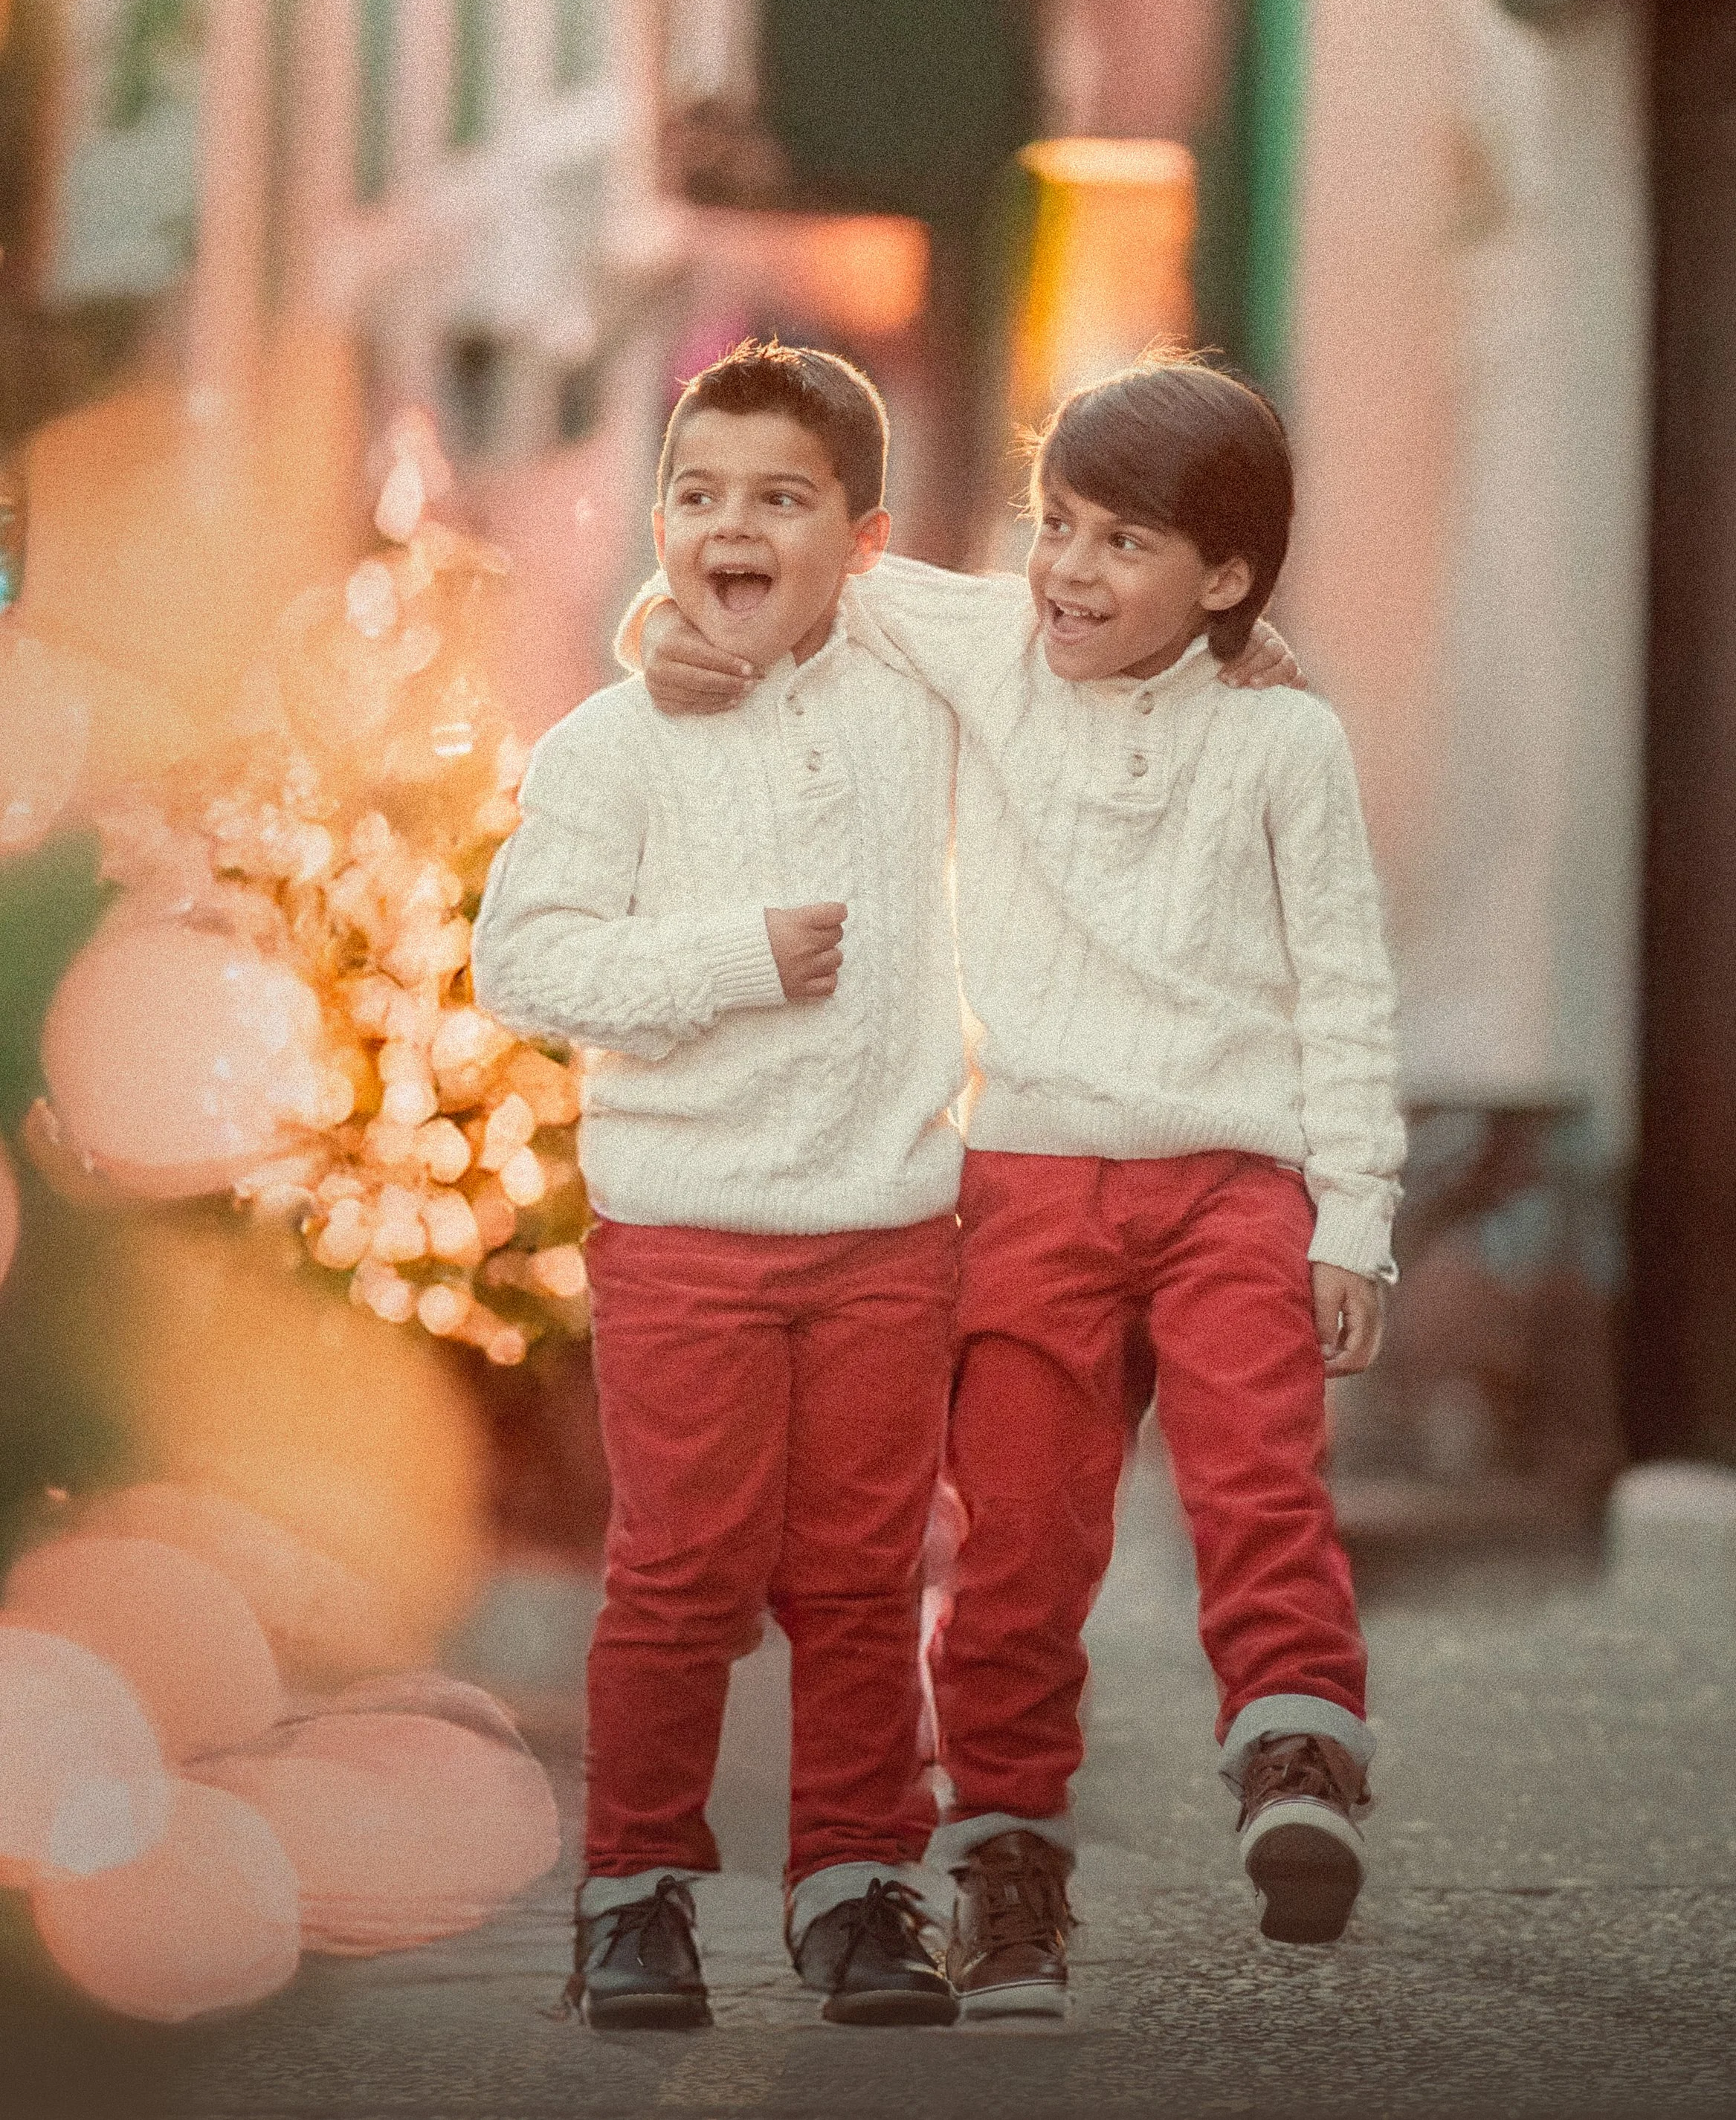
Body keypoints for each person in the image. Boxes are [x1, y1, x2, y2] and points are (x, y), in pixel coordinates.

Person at [632, 352, 1404, 2018]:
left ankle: (1293, 1753)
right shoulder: (989, 640)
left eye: (1123, 544)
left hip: (1233, 1182)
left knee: (1255, 1475)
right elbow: (780, 565)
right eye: (1055, 524)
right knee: (1015, 1550)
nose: (1066, 569)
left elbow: (1343, 983)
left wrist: (1354, 1212)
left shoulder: (1282, 741)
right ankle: (1003, 1865)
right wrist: (664, 632)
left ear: (1224, 577)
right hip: (1033, 1177)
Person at [471, 342, 969, 2029]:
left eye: (779, 499)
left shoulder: (917, 707)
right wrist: (731, 957)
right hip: (685, 1229)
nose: (727, 529)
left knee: (860, 1575)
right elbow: (523, 967)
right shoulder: (613, 747)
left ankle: (855, 1889)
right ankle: (636, 1893)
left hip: (889, 1227)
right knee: (678, 1576)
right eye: (695, 497)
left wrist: (1216, 652)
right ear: (655, 521)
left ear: (865, 538)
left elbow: (1030, 642)